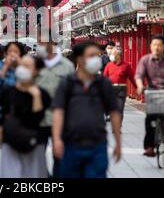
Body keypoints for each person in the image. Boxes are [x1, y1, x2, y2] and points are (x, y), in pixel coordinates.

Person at [52, 41, 122, 178]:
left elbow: (114, 112)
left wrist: (118, 142)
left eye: (97, 55)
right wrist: (56, 139)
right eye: (91, 56)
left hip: (97, 145)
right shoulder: (67, 82)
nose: (96, 59)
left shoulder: (103, 83)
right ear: (79, 59)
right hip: (71, 143)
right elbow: (58, 111)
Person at [0, 55, 51, 178]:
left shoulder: (42, 94)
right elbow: (1, 120)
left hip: (34, 143)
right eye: (21, 65)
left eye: (27, 66)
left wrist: (37, 96)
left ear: (35, 71)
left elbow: (38, 118)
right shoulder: (8, 92)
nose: (22, 69)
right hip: (10, 142)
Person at [135, 34, 164, 157]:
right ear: (151, 46)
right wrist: (140, 86)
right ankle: (149, 147)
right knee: (149, 119)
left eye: (159, 45)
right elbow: (139, 75)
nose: (156, 48)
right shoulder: (145, 60)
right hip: (152, 92)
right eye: (154, 45)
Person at [35, 40, 75, 177]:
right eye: (38, 42)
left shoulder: (67, 66)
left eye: (42, 42)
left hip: (61, 120)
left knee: (60, 155)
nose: (39, 45)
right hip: (38, 120)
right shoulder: (35, 64)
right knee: (37, 156)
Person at [103, 46, 137, 124]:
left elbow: (132, 78)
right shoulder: (109, 65)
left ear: (118, 55)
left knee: (120, 109)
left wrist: (138, 88)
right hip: (110, 89)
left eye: (112, 53)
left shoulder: (126, 66)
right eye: (110, 53)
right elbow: (104, 78)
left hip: (121, 89)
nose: (111, 55)